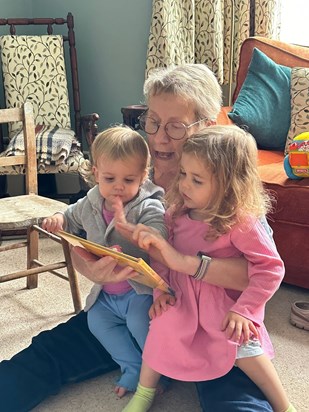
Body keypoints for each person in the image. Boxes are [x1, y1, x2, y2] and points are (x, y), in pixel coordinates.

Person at [0, 64, 272, 412]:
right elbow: (84, 235)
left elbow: (259, 274)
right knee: (38, 358)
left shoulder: (232, 198)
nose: (159, 138)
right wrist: (93, 271)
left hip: (210, 321)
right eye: (152, 121)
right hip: (133, 306)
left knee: (239, 402)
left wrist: (184, 263)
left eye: (175, 127)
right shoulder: (127, 178)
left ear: (206, 127)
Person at [120, 126, 295, 412]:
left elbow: (270, 268)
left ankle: (284, 405)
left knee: (244, 347)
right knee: (159, 331)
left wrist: (246, 310)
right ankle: (143, 393)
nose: (185, 185)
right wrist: (160, 291)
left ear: (228, 185)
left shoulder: (240, 221)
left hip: (223, 305)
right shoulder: (175, 214)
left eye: (197, 180)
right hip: (183, 299)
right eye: (184, 174)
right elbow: (161, 258)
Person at [42, 126, 167, 398]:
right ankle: (132, 366)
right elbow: (70, 217)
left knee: (139, 323)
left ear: (143, 177)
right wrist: (57, 218)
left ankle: (158, 370)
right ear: (96, 173)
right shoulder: (90, 202)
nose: (119, 187)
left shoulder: (148, 204)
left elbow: (160, 231)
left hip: (138, 292)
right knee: (96, 322)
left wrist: (139, 232)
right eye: (110, 178)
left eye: (129, 179)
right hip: (106, 296)